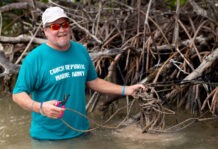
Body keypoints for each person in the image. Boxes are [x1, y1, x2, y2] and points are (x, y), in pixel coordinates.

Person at [12, 6, 145, 140]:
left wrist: (126, 90)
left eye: (64, 24)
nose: (61, 30)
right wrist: (40, 107)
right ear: (45, 31)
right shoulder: (34, 59)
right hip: (47, 139)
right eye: (55, 27)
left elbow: (93, 81)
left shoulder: (80, 51)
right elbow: (18, 94)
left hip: (81, 133)